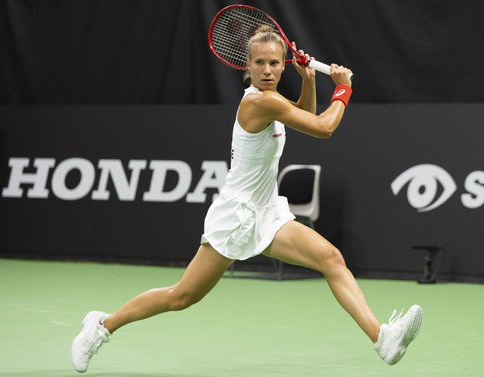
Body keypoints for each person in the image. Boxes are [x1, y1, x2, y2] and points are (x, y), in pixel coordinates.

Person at [71, 25, 423, 373]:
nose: (267, 70)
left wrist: (310, 79)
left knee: (331, 258)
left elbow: (307, 114)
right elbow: (324, 128)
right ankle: (101, 327)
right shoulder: (261, 102)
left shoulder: (272, 101)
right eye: (259, 63)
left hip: (268, 211)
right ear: (248, 67)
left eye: (274, 63)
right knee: (182, 297)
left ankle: (382, 338)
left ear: (284, 64)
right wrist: (343, 88)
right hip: (237, 216)